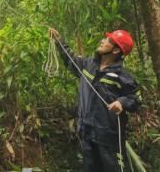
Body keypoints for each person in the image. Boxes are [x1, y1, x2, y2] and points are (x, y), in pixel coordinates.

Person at [49, 28, 140, 172]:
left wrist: (121, 102)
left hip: (109, 138)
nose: (103, 40)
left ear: (116, 50)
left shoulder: (121, 76)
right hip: (86, 132)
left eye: (108, 40)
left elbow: (135, 99)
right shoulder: (88, 65)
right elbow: (70, 59)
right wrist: (59, 41)